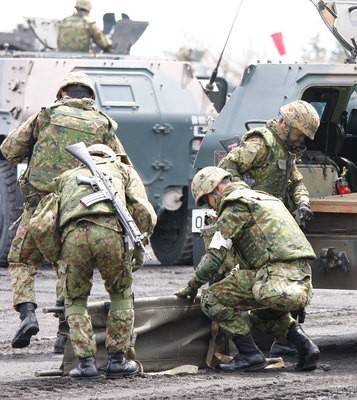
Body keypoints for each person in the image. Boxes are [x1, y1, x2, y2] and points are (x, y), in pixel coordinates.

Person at [0, 71, 129, 351]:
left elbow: (9, 150)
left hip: (40, 205)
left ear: (62, 94)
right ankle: (64, 333)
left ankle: (28, 314)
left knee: (22, 260)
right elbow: (120, 164)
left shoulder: (45, 116)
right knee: (66, 265)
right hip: (78, 208)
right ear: (91, 98)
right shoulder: (103, 124)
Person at [175, 167, 320, 372]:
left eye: (208, 200)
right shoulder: (263, 198)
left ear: (215, 189)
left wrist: (192, 286)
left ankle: (249, 354)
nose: (211, 206)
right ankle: (306, 346)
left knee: (211, 298)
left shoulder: (235, 205)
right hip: (300, 276)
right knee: (262, 316)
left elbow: (215, 255)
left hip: (273, 276)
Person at [30, 144, 156, 379]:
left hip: (73, 236)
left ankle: (86, 364)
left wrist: (57, 256)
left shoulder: (67, 177)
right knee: (120, 293)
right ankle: (117, 361)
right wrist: (140, 242)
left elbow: (45, 219)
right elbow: (143, 210)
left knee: (75, 299)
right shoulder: (123, 170)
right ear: (110, 156)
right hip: (109, 232)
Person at [218, 99, 320, 357]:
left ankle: (281, 339)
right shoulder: (261, 143)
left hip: (273, 227)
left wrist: (303, 203)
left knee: (284, 278)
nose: (302, 141)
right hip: (251, 225)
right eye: (299, 135)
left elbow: (295, 182)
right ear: (286, 125)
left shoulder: (286, 149)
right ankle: (241, 342)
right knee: (241, 278)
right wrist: (245, 199)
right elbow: (226, 170)